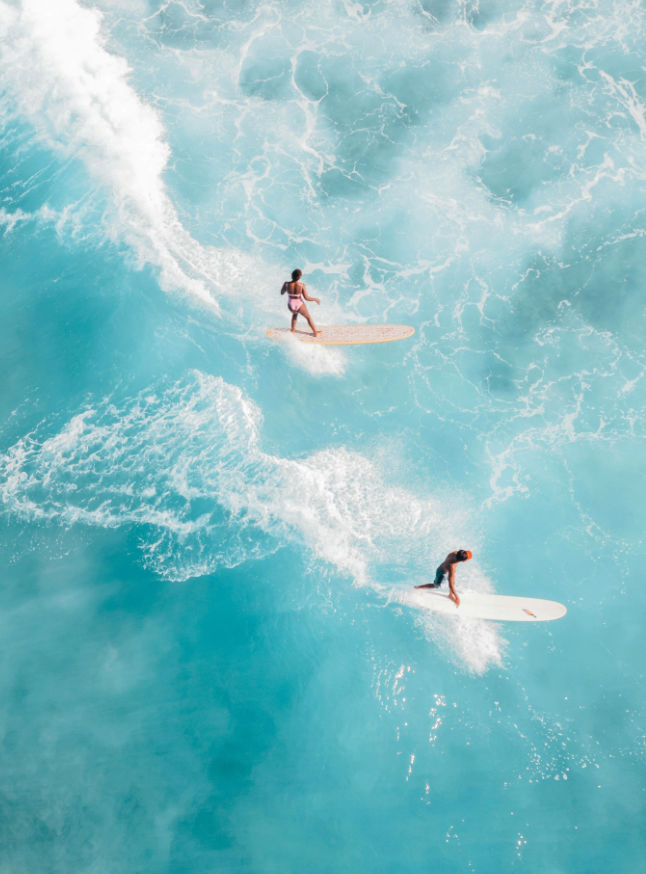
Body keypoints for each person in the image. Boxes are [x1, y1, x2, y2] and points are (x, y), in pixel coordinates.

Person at [280, 269, 320, 336]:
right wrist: (315, 299)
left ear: (292, 275)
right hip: (299, 303)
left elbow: (282, 293)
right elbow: (307, 298)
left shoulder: (286, 284)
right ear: (299, 277)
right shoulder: (302, 285)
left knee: (295, 314)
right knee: (308, 317)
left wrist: (286, 289)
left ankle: (293, 330)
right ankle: (315, 332)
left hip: (290, 304)